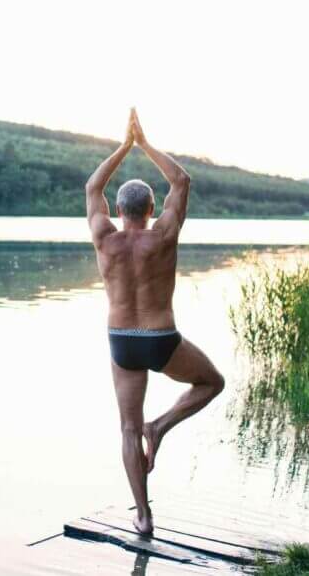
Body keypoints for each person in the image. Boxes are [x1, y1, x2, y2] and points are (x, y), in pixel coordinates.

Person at [85, 108, 225, 535]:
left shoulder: (103, 237)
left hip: (122, 342)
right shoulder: (164, 234)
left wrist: (123, 147)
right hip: (161, 338)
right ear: (151, 207)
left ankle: (143, 517)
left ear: (118, 209)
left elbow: (93, 186)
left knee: (127, 429)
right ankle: (160, 426)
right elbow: (181, 180)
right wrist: (144, 144)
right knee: (212, 383)